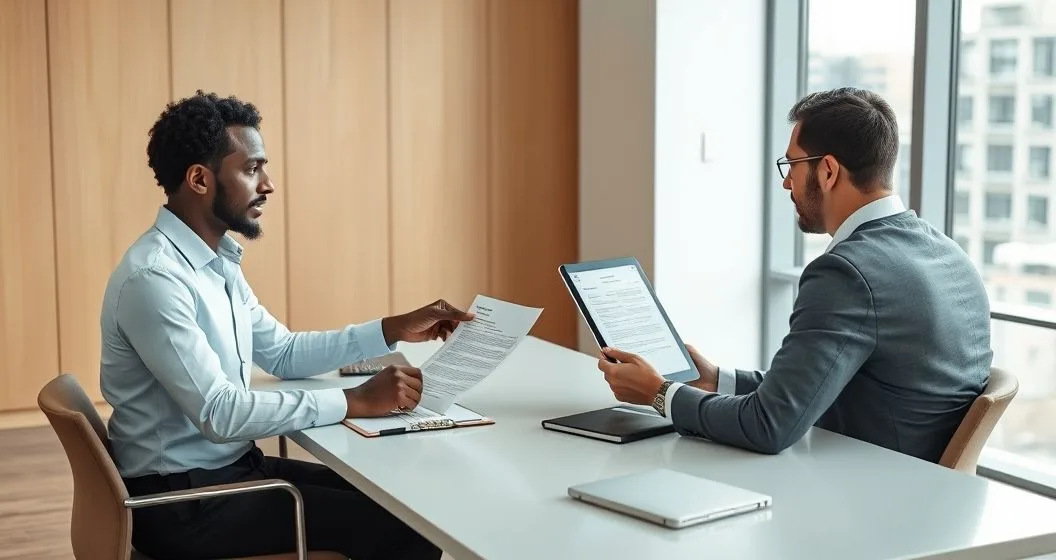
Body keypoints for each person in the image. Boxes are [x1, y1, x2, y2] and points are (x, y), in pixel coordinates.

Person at [101, 90, 466, 559]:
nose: (267, 184)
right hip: (183, 505)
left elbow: (284, 352)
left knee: (403, 499)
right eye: (252, 169)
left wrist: (393, 328)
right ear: (199, 179)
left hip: (229, 472)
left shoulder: (215, 263)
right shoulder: (155, 279)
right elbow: (220, 412)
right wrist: (354, 400)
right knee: (406, 529)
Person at [597, 87, 993, 462]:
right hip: (926, 496)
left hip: (867, 499)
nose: (787, 182)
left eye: (792, 165)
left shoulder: (847, 273)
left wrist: (660, 393)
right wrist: (716, 378)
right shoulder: (947, 253)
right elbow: (811, 392)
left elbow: (768, 426)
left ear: (828, 171)